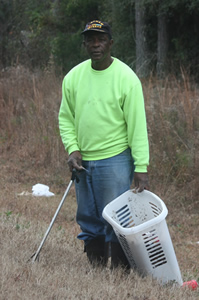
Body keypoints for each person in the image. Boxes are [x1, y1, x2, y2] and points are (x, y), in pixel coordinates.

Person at [59, 20, 149, 270]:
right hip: (83, 161)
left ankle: (121, 270)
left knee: (116, 217)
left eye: (100, 39)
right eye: (90, 39)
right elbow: (65, 118)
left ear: (111, 43)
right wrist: (73, 149)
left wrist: (140, 165)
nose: (95, 44)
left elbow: (137, 126)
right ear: (84, 44)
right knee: (88, 215)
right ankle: (97, 267)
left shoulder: (126, 78)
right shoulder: (73, 77)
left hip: (116, 159)